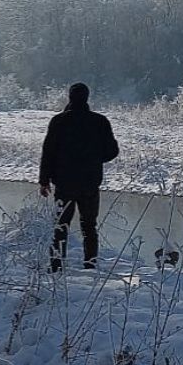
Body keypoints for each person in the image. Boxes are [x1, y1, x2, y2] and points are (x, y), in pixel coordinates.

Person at [39, 83, 119, 272]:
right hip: (90, 182)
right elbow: (112, 151)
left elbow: (48, 152)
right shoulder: (100, 121)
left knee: (61, 226)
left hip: (64, 183)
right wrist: (95, 159)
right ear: (87, 97)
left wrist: (44, 181)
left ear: (69, 97)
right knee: (89, 226)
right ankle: (90, 266)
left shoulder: (58, 121)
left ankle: (56, 266)